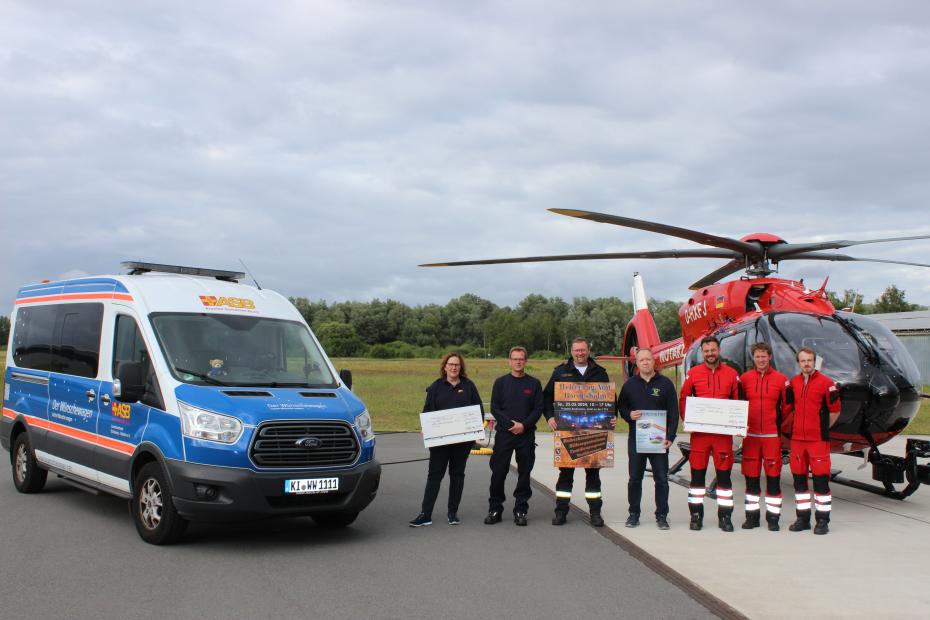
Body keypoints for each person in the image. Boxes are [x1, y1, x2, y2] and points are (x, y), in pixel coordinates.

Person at [543, 337, 616, 527]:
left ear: (588, 351)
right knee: (565, 474)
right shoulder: (561, 372)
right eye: (576, 350)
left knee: (593, 475)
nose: (580, 353)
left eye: (583, 350)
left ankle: (595, 513)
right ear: (571, 352)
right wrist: (550, 417)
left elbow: (611, 400)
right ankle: (561, 511)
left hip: (594, 432)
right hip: (567, 431)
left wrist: (612, 417)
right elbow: (546, 396)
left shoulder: (600, 373)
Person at [410, 352, 484, 527]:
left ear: (461, 367)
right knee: (434, 476)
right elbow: (427, 410)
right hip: (439, 442)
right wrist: (426, 428)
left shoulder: (469, 386)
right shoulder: (436, 386)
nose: (453, 367)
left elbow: (478, 411)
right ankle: (425, 514)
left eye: (457, 365)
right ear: (445, 366)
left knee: (457, 475)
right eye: (450, 364)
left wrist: (475, 429)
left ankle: (453, 513)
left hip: (462, 443)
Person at [679, 335, 741, 532]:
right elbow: (684, 398)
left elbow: (738, 402)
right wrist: (687, 420)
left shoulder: (732, 374)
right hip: (700, 435)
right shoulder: (694, 373)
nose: (710, 354)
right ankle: (696, 516)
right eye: (706, 351)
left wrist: (737, 424)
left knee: (724, 478)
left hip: (723, 436)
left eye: (713, 350)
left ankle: (725, 517)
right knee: (697, 478)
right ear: (702, 353)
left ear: (719, 351)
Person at [617, 348, 678, 530]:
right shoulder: (629, 385)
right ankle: (633, 514)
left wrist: (671, 436)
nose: (645, 363)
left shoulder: (666, 384)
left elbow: (674, 413)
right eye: (641, 360)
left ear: (654, 362)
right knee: (635, 478)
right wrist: (629, 414)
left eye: (648, 360)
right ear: (637, 363)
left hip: (658, 440)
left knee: (661, 479)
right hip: (637, 439)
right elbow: (621, 407)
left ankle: (662, 515)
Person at [485, 346, 544, 526]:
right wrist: (511, 425)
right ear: (509, 361)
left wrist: (524, 425)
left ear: (526, 361)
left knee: (524, 473)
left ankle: (521, 509)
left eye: (521, 359)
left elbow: (538, 408)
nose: (518, 362)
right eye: (515, 359)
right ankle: (495, 508)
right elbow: (495, 407)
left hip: (526, 436)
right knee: (498, 472)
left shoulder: (534, 384)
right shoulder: (500, 383)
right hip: (505, 435)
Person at [786, 347, 841, 535]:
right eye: (803, 361)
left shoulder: (827, 383)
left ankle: (823, 521)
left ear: (814, 362)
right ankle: (802, 518)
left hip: (817, 441)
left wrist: (823, 428)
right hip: (797, 442)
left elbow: (835, 411)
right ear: (799, 363)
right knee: (799, 482)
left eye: (809, 360)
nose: (806, 364)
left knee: (821, 483)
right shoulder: (793, 382)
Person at [738, 342, 790, 531]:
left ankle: (773, 518)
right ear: (754, 358)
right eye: (757, 356)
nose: (761, 360)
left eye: (764, 356)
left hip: (771, 437)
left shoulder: (781, 379)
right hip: (751, 436)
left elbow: (788, 407)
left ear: (769, 357)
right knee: (751, 479)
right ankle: (752, 517)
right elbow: (737, 404)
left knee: (773, 479)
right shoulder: (744, 379)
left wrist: (779, 427)